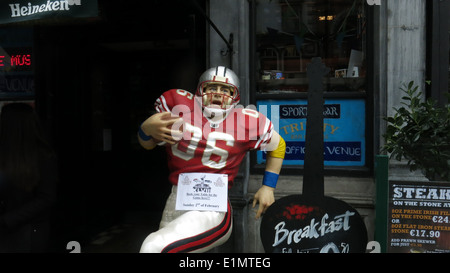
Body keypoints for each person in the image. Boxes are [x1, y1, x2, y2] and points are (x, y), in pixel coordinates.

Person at [138, 66, 285, 253]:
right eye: (212, 88)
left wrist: (268, 187)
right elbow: (148, 144)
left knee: (154, 247)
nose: (218, 94)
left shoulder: (246, 120)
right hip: (177, 197)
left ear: (235, 96)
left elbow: (278, 145)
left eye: (225, 90)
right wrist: (145, 129)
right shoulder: (179, 108)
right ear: (200, 90)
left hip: (212, 205)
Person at [0, 103, 58, 253]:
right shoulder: (4, 153)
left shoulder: (43, 157)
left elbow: (46, 198)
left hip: (28, 231)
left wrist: (8, 220)